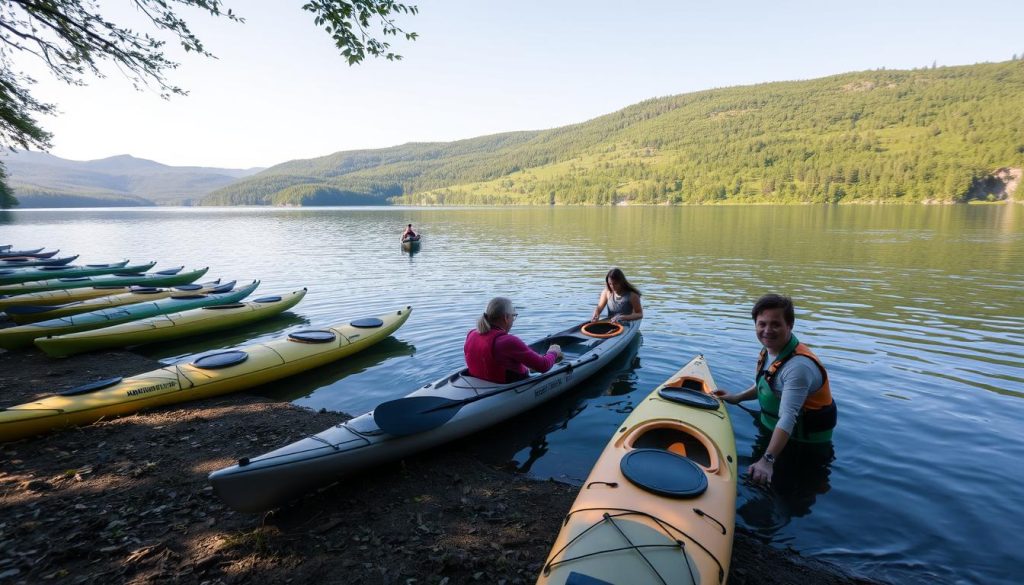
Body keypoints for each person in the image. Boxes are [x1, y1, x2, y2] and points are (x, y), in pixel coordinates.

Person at [714, 294, 837, 487]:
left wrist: (767, 460)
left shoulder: (798, 367)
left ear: (790, 325)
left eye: (775, 324)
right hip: (773, 434)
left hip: (801, 449)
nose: (767, 330)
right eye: (761, 324)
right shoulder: (770, 351)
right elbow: (768, 383)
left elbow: (788, 416)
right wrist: (737, 398)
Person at [464, 297, 562, 383]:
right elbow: (543, 366)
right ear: (506, 317)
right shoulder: (507, 342)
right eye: (513, 316)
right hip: (504, 388)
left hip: (479, 383)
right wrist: (553, 352)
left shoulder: (471, 334)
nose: (513, 319)